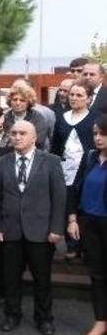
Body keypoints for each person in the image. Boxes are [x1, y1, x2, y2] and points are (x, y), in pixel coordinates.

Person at [0, 119, 65, 335]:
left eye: (23, 133)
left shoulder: (51, 161)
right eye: (14, 133)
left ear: (34, 137)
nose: (17, 137)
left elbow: (59, 198)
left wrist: (56, 229)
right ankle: (12, 315)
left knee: (42, 279)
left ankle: (44, 318)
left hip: (41, 232)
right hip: (10, 230)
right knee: (11, 278)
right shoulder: (2, 162)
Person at [68, 114, 107, 335]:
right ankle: (100, 322)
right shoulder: (91, 157)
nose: (98, 138)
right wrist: (72, 218)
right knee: (97, 275)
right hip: (90, 224)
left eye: (103, 134)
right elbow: (75, 187)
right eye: (95, 134)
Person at [52, 81, 95, 261]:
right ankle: (69, 244)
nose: (74, 98)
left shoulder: (94, 118)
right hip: (63, 168)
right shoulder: (61, 117)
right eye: (72, 95)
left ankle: (81, 245)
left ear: (89, 98)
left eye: (79, 95)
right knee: (64, 203)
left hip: (85, 168)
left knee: (81, 205)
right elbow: (56, 144)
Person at [3, 84, 49, 150]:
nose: (18, 103)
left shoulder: (38, 118)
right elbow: (2, 141)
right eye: (15, 99)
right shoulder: (4, 118)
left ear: (28, 102)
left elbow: (39, 140)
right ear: (10, 101)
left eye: (22, 100)